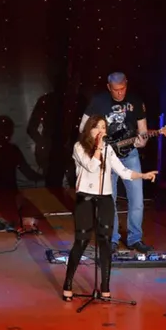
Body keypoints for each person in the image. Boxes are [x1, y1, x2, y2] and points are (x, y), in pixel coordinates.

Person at [62, 115, 158, 301]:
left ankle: (105, 286)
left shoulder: (108, 149)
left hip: (105, 198)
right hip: (86, 198)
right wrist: (98, 148)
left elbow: (123, 171)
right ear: (89, 129)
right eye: (97, 127)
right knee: (82, 241)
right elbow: (91, 166)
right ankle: (68, 283)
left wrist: (142, 175)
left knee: (105, 242)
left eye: (104, 128)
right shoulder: (79, 147)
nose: (101, 131)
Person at [80, 72, 153, 253]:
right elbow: (83, 128)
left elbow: (143, 131)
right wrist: (97, 144)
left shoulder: (135, 101)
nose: (120, 93)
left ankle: (135, 239)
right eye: (115, 90)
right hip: (107, 156)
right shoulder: (99, 101)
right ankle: (112, 239)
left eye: (123, 89)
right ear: (108, 87)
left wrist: (141, 142)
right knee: (109, 200)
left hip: (130, 155)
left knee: (137, 200)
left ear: (127, 84)